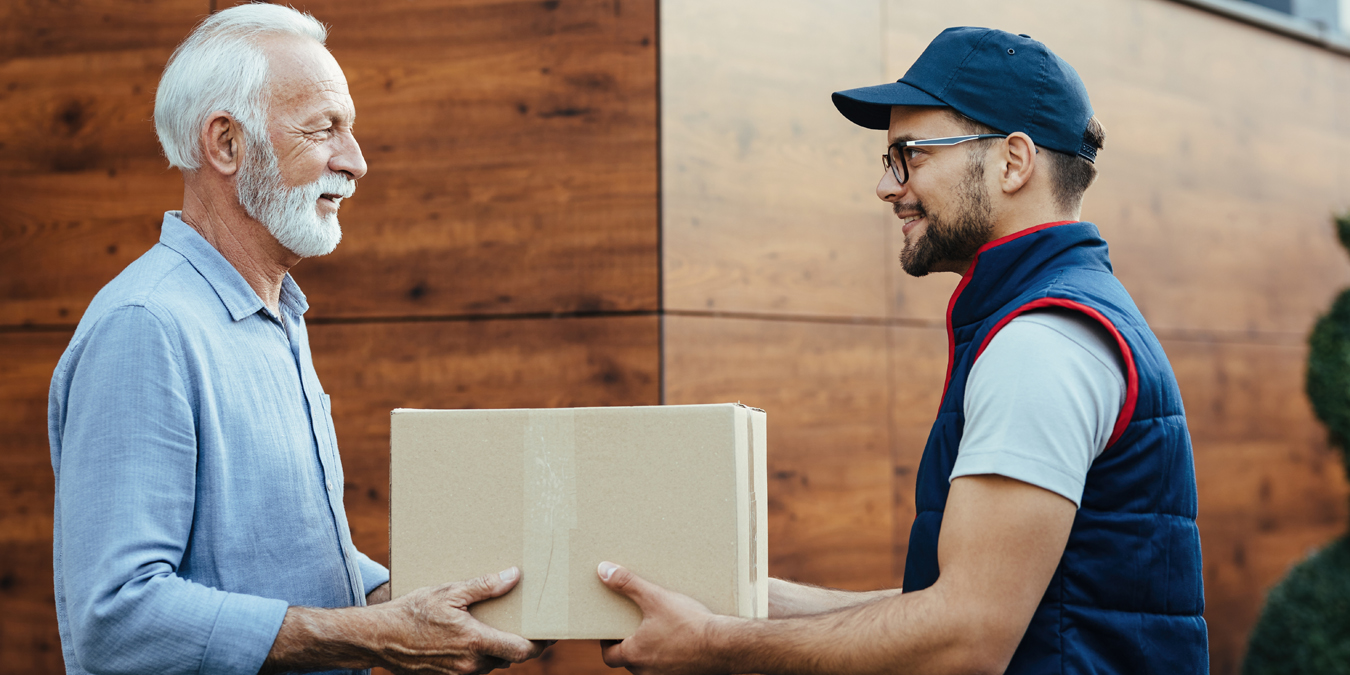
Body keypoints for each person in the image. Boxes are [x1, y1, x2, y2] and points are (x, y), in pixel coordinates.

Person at [593, 27, 1208, 675]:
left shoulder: (1040, 343)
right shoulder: (1061, 316)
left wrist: (714, 645)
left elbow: (964, 636)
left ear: (1013, 161)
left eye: (909, 154)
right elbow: (971, 604)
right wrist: (737, 606)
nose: (889, 188)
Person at [47, 5, 543, 674]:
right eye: (323, 129)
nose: (357, 162)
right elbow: (118, 619)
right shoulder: (146, 325)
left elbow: (282, 558)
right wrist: (373, 633)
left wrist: (414, 602)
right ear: (225, 144)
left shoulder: (275, 313)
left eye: (352, 130)